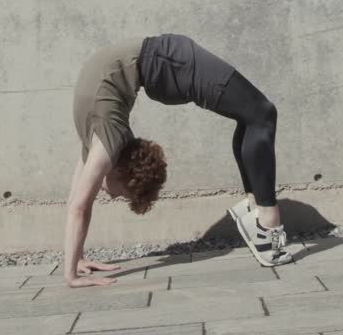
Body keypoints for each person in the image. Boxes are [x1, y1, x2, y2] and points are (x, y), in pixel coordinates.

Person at [63, 34, 290, 288]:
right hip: (164, 62)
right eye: (124, 196)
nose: (114, 197)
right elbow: (78, 203)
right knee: (259, 114)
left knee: (259, 114)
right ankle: (261, 214)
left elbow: (78, 206)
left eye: (123, 193)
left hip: (166, 61)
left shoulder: (106, 144)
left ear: (121, 172)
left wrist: (72, 271)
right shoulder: (102, 140)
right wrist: (74, 265)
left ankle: (261, 215)